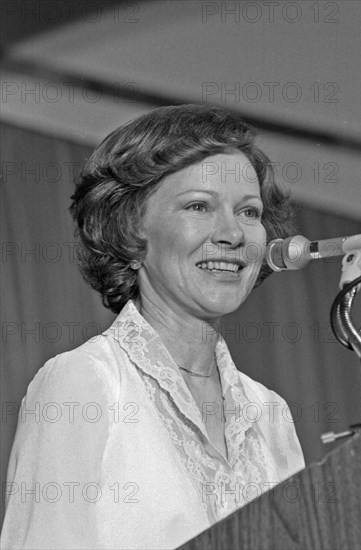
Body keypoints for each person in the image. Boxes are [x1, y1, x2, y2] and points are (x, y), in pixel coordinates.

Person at [1, 104, 304, 550]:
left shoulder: (270, 411)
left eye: (249, 212)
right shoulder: (83, 384)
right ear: (130, 229)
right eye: (199, 206)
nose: (233, 234)